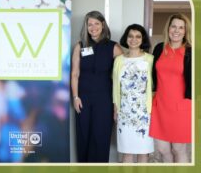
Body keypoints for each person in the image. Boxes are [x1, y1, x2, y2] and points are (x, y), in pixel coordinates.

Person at [71, 11, 123, 162]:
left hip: (105, 98)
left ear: (103, 25)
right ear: (86, 27)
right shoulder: (80, 46)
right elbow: (75, 74)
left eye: (96, 24)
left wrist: (116, 103)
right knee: (84, 136)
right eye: (90, 24)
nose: (93, 27)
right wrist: (75, 97)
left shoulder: (114, 47)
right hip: (83, 99)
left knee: (100, 137)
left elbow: (122, 76)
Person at [149, 13, 192, 163]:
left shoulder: (190, 52)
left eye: (181, 27)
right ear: (168, 28)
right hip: (160, 105)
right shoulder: (160, 48)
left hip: (182, 106)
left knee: (178, 149)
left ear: (186, 31)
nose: (177, 30)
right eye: (174, 26)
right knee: (162, 149)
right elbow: (152, 74)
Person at [112, 24, 154, 163]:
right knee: (127, 153)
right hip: (124, 111)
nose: (134, 39)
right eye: (130, 36)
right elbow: (115, 86)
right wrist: (115, 106)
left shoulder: (150, 59)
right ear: (126, 38)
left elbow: (155, 85)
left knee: (143, 153)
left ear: (143, 39)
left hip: (144, 113)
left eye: (138, 36)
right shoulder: (119, 60)